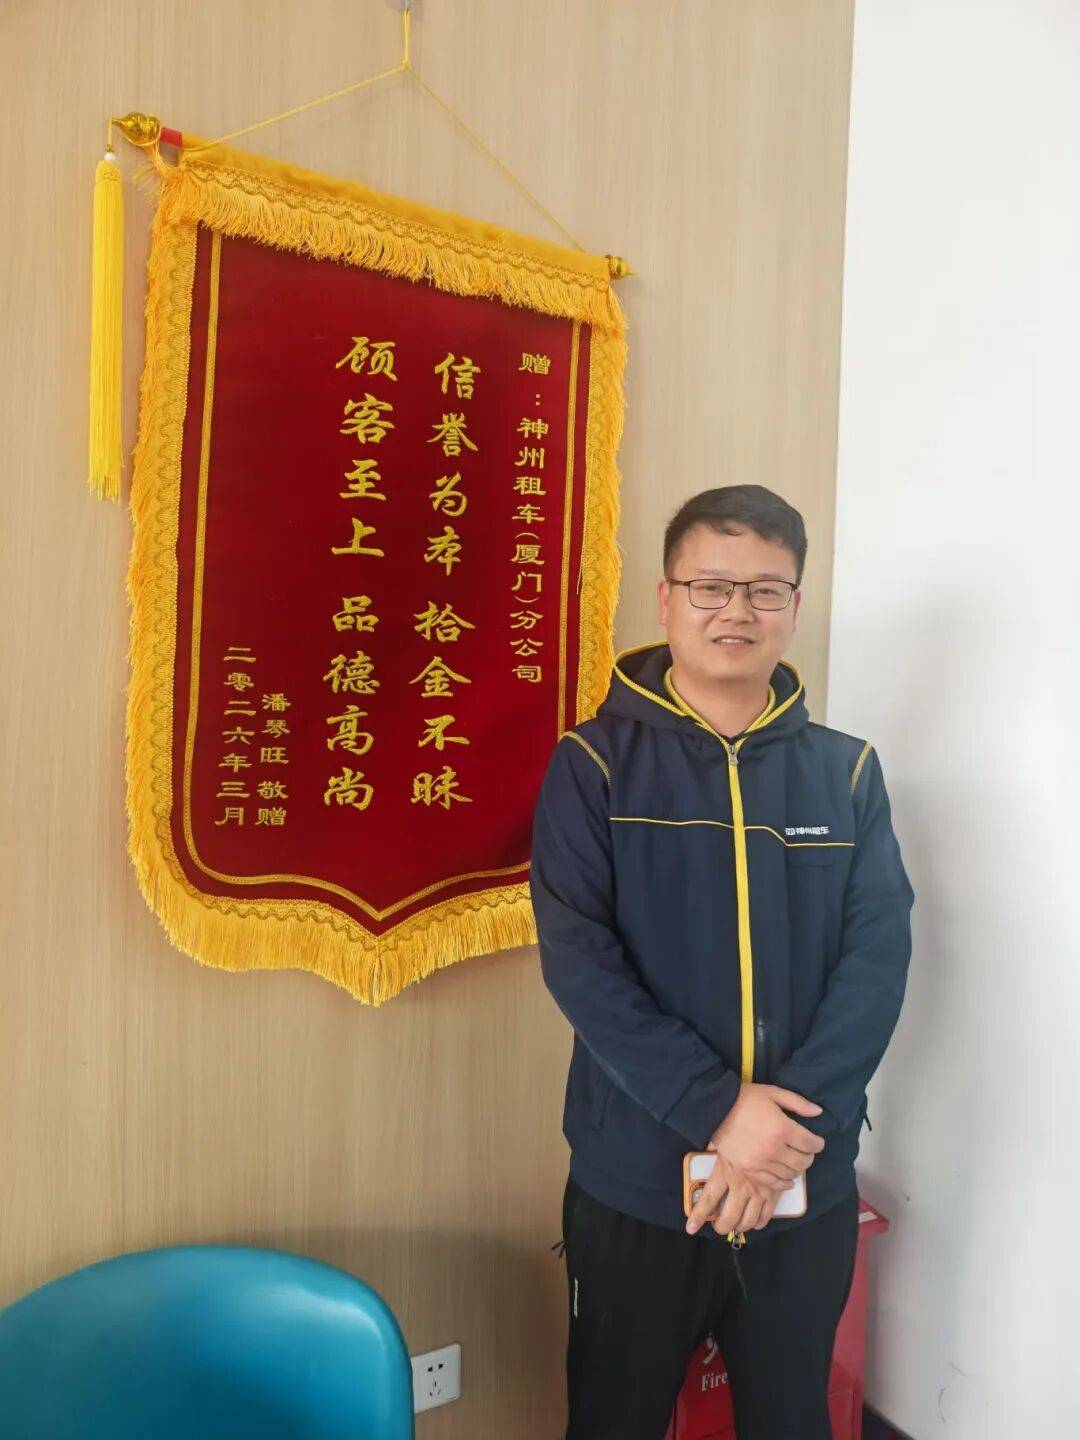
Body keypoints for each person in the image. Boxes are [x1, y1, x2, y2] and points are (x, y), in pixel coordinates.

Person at [530, 485, 914, 1440]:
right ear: (667, 599)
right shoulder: (594, 764)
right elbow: (581, 962)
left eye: (764, 589)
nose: (736, 610)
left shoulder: (845, 771)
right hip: (638, 1180)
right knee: (614, 1418)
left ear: (794, 605)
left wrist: (779, 1130)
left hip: (801, 1179)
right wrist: (717, 1108)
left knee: (793, 1415)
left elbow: (877, 955)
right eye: (711, 585)